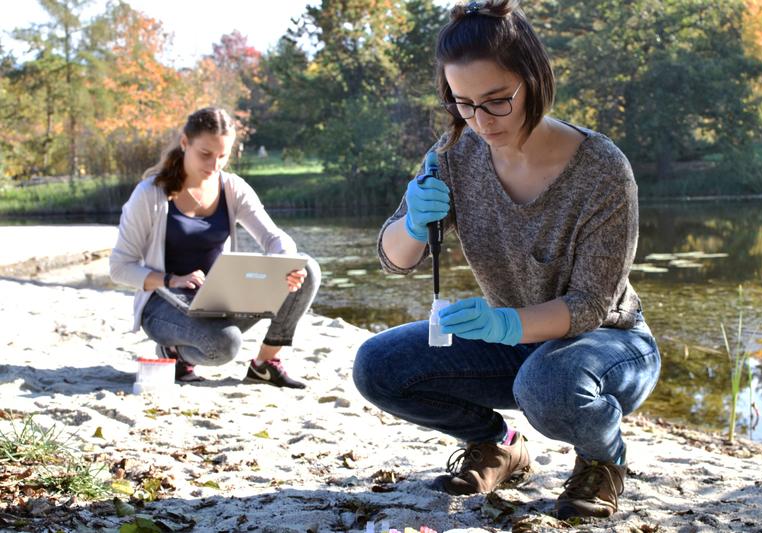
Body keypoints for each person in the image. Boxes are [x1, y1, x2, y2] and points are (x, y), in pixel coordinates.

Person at [353, 0, 660, 520]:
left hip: (608, 341)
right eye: (463, 103)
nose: (480, 120)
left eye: (496, 100)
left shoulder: (603, 168)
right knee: (378, 367)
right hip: (514, 341)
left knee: (547, 384)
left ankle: (603, 459)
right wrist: (410, 224)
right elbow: (394, 260)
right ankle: (500, 444)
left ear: (533, 79)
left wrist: (504, 322)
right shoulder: (455, 149)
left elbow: (588, 305)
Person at [110, 107, 320, 388]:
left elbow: (274, 237)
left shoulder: (233, 188)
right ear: (185, 143)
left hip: (219, 300)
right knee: (225, 345)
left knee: (307, 269)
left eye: (223, 156)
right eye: (205, 154)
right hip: (164, 304)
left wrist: (286, 262)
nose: (214, 165)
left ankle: (265, 364)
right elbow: (120, 268)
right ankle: (173, 352)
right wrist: (173, 279)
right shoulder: (149, 195)